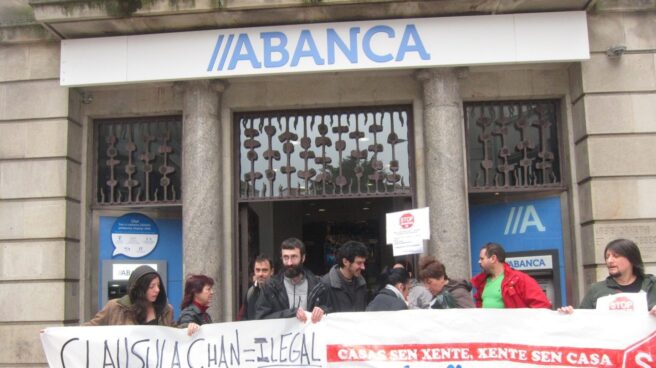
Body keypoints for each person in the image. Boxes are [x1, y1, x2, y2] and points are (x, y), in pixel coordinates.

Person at [559, 238, 656, 315]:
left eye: (616, 256)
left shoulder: (652, 285)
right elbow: (582, 321)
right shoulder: (597, 290)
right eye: (607, 257)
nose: (609, 260)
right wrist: (571, 315)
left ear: (632, 259)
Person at [255, 237, 331, 323]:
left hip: (310, 336)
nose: (289, 262)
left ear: (303, 258)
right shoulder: (270, 287)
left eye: (294, 257)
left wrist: (323, 310)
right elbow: (260, 320)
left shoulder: (318, 285)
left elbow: (332, 312)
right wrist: (290, 314)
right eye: (286, 257)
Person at [85, 265, 174, 326]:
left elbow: (176, 332)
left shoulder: (166, 311)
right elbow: (91, 328)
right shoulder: (114, 307)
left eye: (158, 285)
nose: (157, 290)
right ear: (140, 288)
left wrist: (187, 327)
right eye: (151, 286)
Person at [471, 242, 552, 309]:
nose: (479, 262)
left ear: (493, 258)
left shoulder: (520, 279)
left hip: (512, 328)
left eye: (482, 259)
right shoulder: (482, 282)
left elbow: (542, 305)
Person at [321, 241, 368, 313]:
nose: (363, 267)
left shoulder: (362, 284)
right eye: (359, 263)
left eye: (363, 263)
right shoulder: (326, 284)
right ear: (345, 262)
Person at [238, 255, 274, 320]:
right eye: (258, 270)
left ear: (272, 271)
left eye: (264, 270)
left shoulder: (279, 292)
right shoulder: (250, 292)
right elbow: (243, 317)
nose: (260, 274)